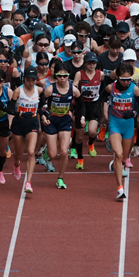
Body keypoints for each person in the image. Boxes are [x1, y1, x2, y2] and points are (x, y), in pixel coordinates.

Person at [42, 62, 81, 190]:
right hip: (51, 121)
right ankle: (46, 153)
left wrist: (81, 116)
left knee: (64, 151)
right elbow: (41, 105)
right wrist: (44, 116)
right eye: (59, 76)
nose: (62, 79)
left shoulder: (73, 90)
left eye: (65, 76)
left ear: (69, 76)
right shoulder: (50, 89)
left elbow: (81, 105)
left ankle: (60, 178)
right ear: (55, 75)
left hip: (65, 121)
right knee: (53, 155)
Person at [103, 63, 139, 199]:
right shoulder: (110, 88)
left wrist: (134, 112)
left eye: (128, 79)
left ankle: (117, 163)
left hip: (129, 125)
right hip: (115, 124)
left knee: (123, 157)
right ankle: (119, 189)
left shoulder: (134, 89)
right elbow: (101, 98)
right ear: (118, 78)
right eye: (123, 79)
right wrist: (105, 113)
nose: (126, 82)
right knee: (118, 154)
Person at [9, 66, 43, 194]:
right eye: (28, 80)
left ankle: (28, 182)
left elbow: (42, 107)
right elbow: (10, 108)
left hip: (32, 123)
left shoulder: (39, 90)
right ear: (24, 79)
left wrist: (44, 117)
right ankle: (17, 164)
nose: (31, 83)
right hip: (18, 124)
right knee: (18, 153)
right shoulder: (18, 91)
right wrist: (18, 115)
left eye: (33, 80)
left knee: (30, 152)